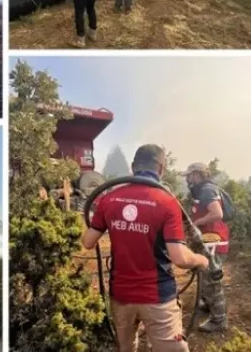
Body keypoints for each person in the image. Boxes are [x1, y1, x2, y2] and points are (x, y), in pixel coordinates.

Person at [81, 144, 209, 352]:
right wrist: (200, 260)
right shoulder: (167, 202)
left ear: (133, 167)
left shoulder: (109, 199)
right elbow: (179, 257)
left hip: (120, 296)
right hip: (157, 298)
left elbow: (88, 242)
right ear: (160, 169)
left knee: (127, 348)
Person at [183, 162, 229, 332]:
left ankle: (219, 320)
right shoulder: (202, 190)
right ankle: (208, 305)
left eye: (189, 175)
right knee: (205, 276)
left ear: (197, 174)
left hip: (214, 242)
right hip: (209, 241)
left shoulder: (207, 190)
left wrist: (196, 223)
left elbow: (217, 213)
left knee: (212, 281)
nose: (187, 179)